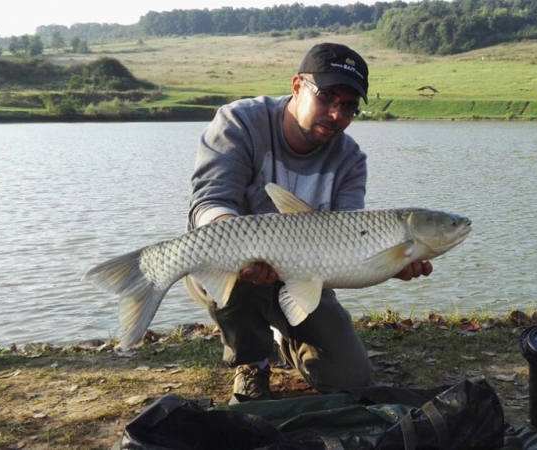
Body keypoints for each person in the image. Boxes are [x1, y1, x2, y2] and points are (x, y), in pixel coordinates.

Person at [186, 42, 433, 401]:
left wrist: (388, 265)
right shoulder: (240, 122)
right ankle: (252, 363)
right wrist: (236, 245)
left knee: (350, 379)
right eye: (327, 97)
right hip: (228, 267)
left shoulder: (350, 159)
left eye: (348, 106)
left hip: (306, 275)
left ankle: (285, 336)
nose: (336, 114)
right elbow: (210, 202)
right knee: (235, 269)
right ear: (297, 86)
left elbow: (349, 242)